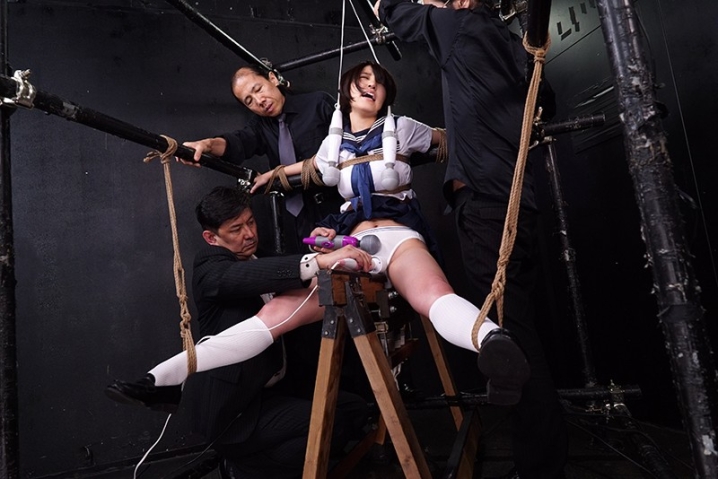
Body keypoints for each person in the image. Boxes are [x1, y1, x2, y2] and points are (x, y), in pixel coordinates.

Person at [106, 61, 530, 419]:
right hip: (348, 246)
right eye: (360, 82)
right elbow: (307, 167)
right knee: (277, 312)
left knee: (432, 295)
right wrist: (273, 174)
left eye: (375, 81)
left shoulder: (404, 128)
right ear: (347, 91)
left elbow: (457, 142)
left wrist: (499, 139)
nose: (368, 87)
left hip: (398, 235)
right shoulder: (333, 144)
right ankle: (162, 379)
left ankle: (496, 346)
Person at [378, 1, 568, 478]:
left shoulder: (458, 24)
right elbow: (546, 102)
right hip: (519, 203)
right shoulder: (516, 45)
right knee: (520, 330)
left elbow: (394, 11)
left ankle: (541, 469)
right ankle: (540, 459)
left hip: (486, 207)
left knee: (511, 344)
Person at [107, 186, 369, 478]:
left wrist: (320, 252)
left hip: (276, 391)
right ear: (212, 238)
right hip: (236, 410)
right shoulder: (209, 267)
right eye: (236, 229)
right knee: (329, 424)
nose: (249, 234)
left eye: (251, 222)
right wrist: (316, 262)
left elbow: (285, 269)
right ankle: (242, 468)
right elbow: (240, 277)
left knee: (356, 410)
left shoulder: (262, 258)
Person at [181, 63, 344, 253]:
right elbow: (237, 142)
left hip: (338, 206)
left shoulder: (318, 104)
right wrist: (207, 145)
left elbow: (348, 147)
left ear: (272, 79)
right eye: (249, 101)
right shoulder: (259, 126)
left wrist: (272, 174)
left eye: (258, 89)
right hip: (296, 218)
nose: (259, 100)